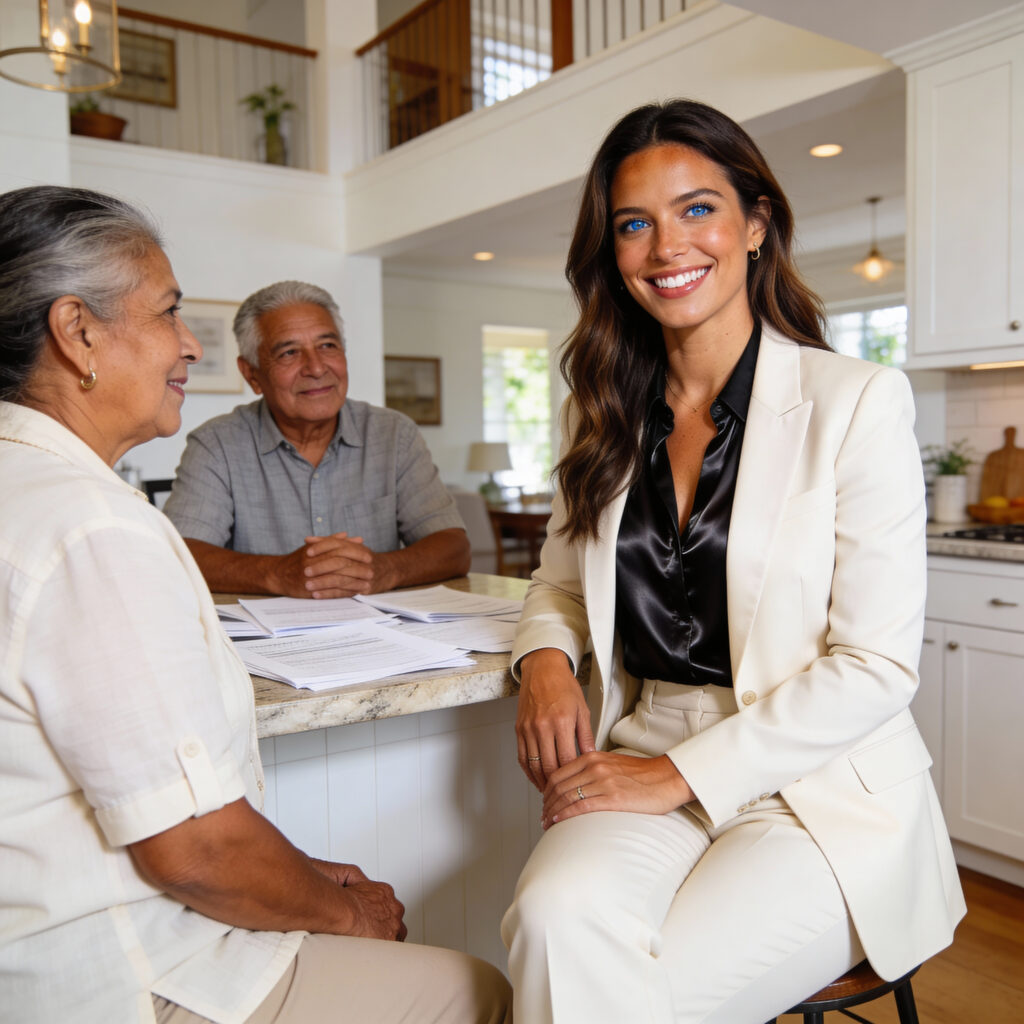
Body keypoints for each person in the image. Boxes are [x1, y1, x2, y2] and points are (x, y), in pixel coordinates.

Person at [500, 100, 966, 1024]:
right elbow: (556, 582)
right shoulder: (603, 415)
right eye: (635, 223)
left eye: (697, 209)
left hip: (818, 786)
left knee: (638, 1002)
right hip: (641, 744)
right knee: (551, 923)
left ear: (756, 225)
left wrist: (680, 776)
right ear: (614, 254)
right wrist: (544, 662)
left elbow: (876, 666)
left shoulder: (858, 401)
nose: (667, 245)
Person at [0, 185, 511, 1024]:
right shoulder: (94, 527)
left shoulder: (34, 488)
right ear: (76, 332)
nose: (185, 344)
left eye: (328, 345)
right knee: (481, 991)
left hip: (61, 933)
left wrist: (309, 873)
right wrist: (347, 912)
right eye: (168, 312)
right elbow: (196, 851)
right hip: (121, 972)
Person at [163, 280, 470, 599]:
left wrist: (383, 570)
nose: (316, 367)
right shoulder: (216, 444)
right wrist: (278, 574)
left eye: (327, 346)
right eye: (289, 352)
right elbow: (180, 553)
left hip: (380, 635)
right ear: (252, 374)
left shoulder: (395, 434)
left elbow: (453, 546)